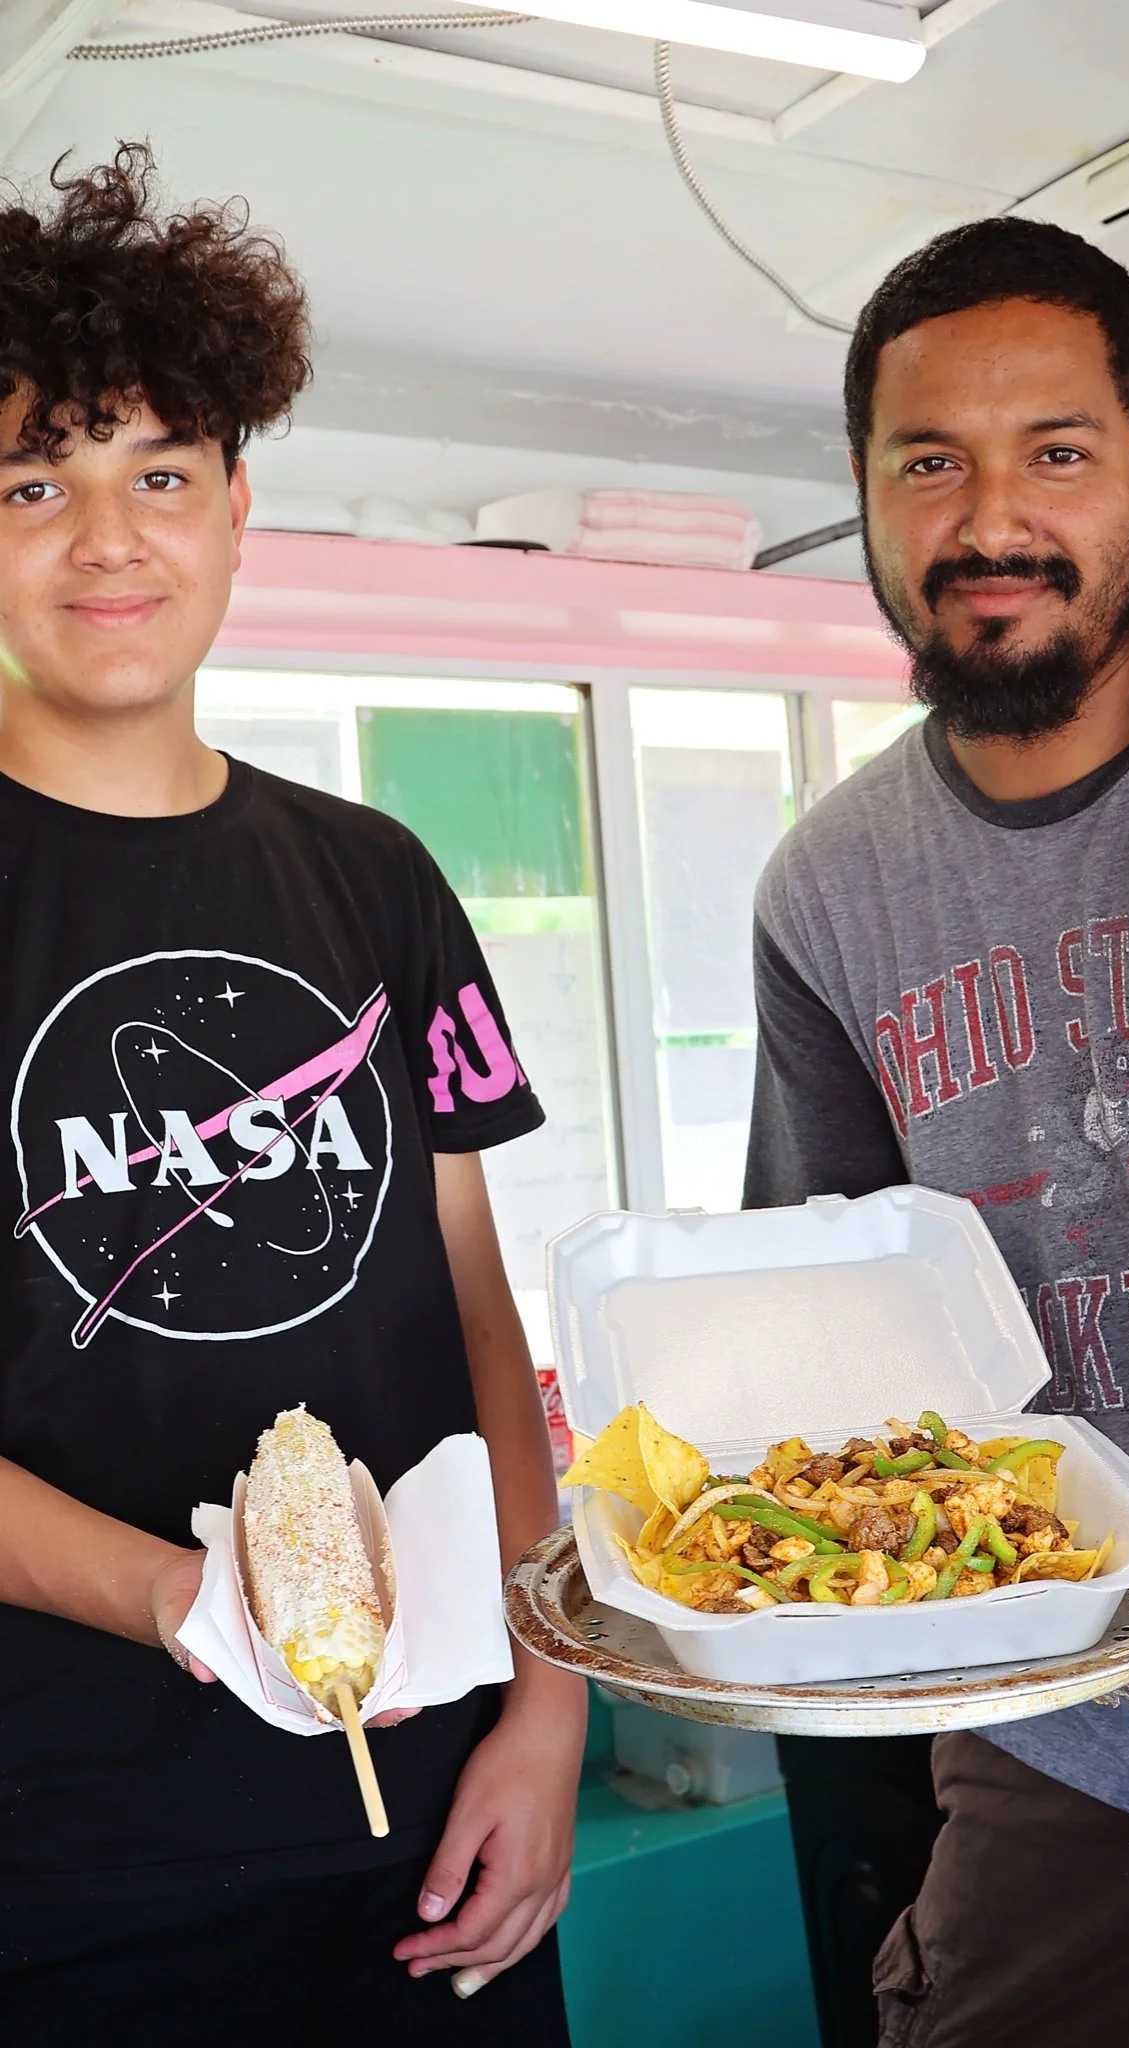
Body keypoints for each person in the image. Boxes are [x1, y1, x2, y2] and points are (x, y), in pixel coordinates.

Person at [743, 215, 1129, 2048]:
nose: (991, 521)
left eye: (1058, 455)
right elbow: (841, 1329)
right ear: (862, 491)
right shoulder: (827, 890)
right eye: (930, 462)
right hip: (1072, 1745)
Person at [0, 149, 584, 2042]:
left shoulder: (379, 878)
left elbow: (481, 1312)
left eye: (161, 473)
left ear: (240, 505)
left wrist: (549, 1696)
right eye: (35, 485)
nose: (111, 540)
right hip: (71, 1864)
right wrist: (188, 1604)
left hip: (434, 1822)